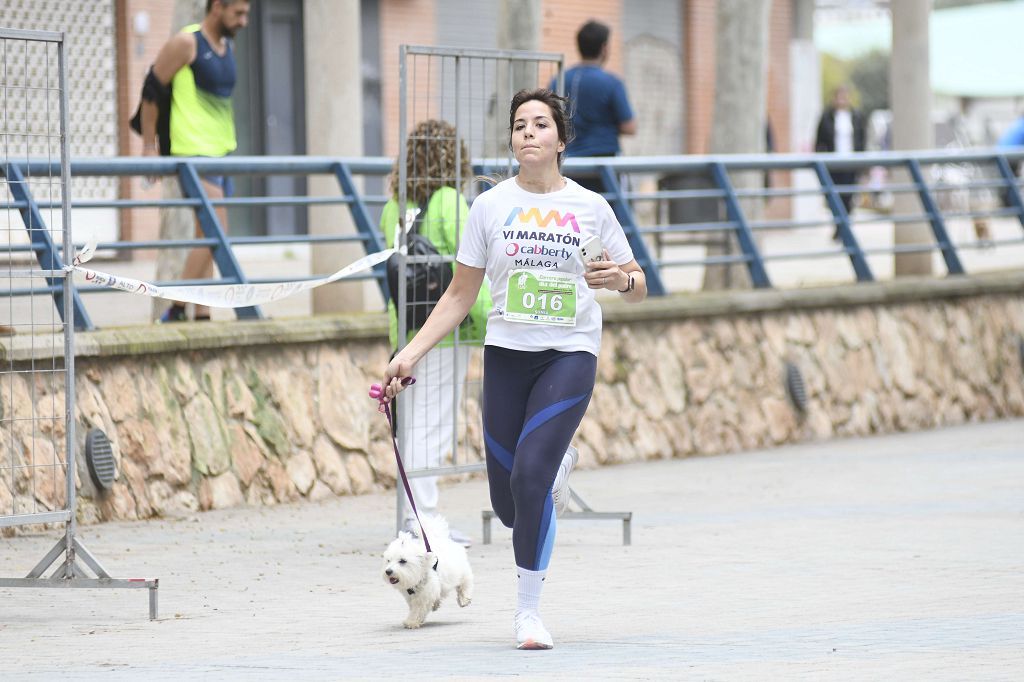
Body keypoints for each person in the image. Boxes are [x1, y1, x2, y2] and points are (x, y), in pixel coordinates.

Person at [379, 89, 648, 650]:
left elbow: (638, 283)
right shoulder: (490, 206)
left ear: (561, 139)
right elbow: (458, 294)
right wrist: (410, 353)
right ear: (512, 139)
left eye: (541, 124)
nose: (528, 132)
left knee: (529, 478)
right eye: (519, 124)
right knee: (507, 504)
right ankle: (552, 473)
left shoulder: (591, 208)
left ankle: (528, 613)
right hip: (506, 357)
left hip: (570, 354)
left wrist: (617, 281)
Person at [380, 119, 492, 548]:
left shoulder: (395, 205)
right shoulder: (453, 202)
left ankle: (413, 515)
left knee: (412, 425)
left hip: (407, 329)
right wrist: (484, 323)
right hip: (444, 332)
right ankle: (422, 521)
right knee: (433, 424)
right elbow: (471, 274)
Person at [139, 0, 250, 322]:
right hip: (193, 154)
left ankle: (202, 312)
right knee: (217, 232)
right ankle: (175, 306)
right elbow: (151, 88)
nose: (244, 21)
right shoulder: (187, 42)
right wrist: (149, 147)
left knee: (207, 234)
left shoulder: (226, 45)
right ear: (217, 7)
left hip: (221, 154)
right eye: (238, 13)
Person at [549, 20, 636, 193]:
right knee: (611, 214)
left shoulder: (558, 80)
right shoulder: (612, 83)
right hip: (604, 166)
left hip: (567, 163)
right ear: (604, 48)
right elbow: (630, 127)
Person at [815, 85, 866, 239]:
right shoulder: (826, 116)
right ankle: (839, 227)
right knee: (834, 196)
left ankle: (845, 227)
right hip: (833, 164)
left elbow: (862, 140)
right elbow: (819, 142)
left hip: (851, 163)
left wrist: (863, 164)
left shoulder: (856, 116)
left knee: (848, 196)